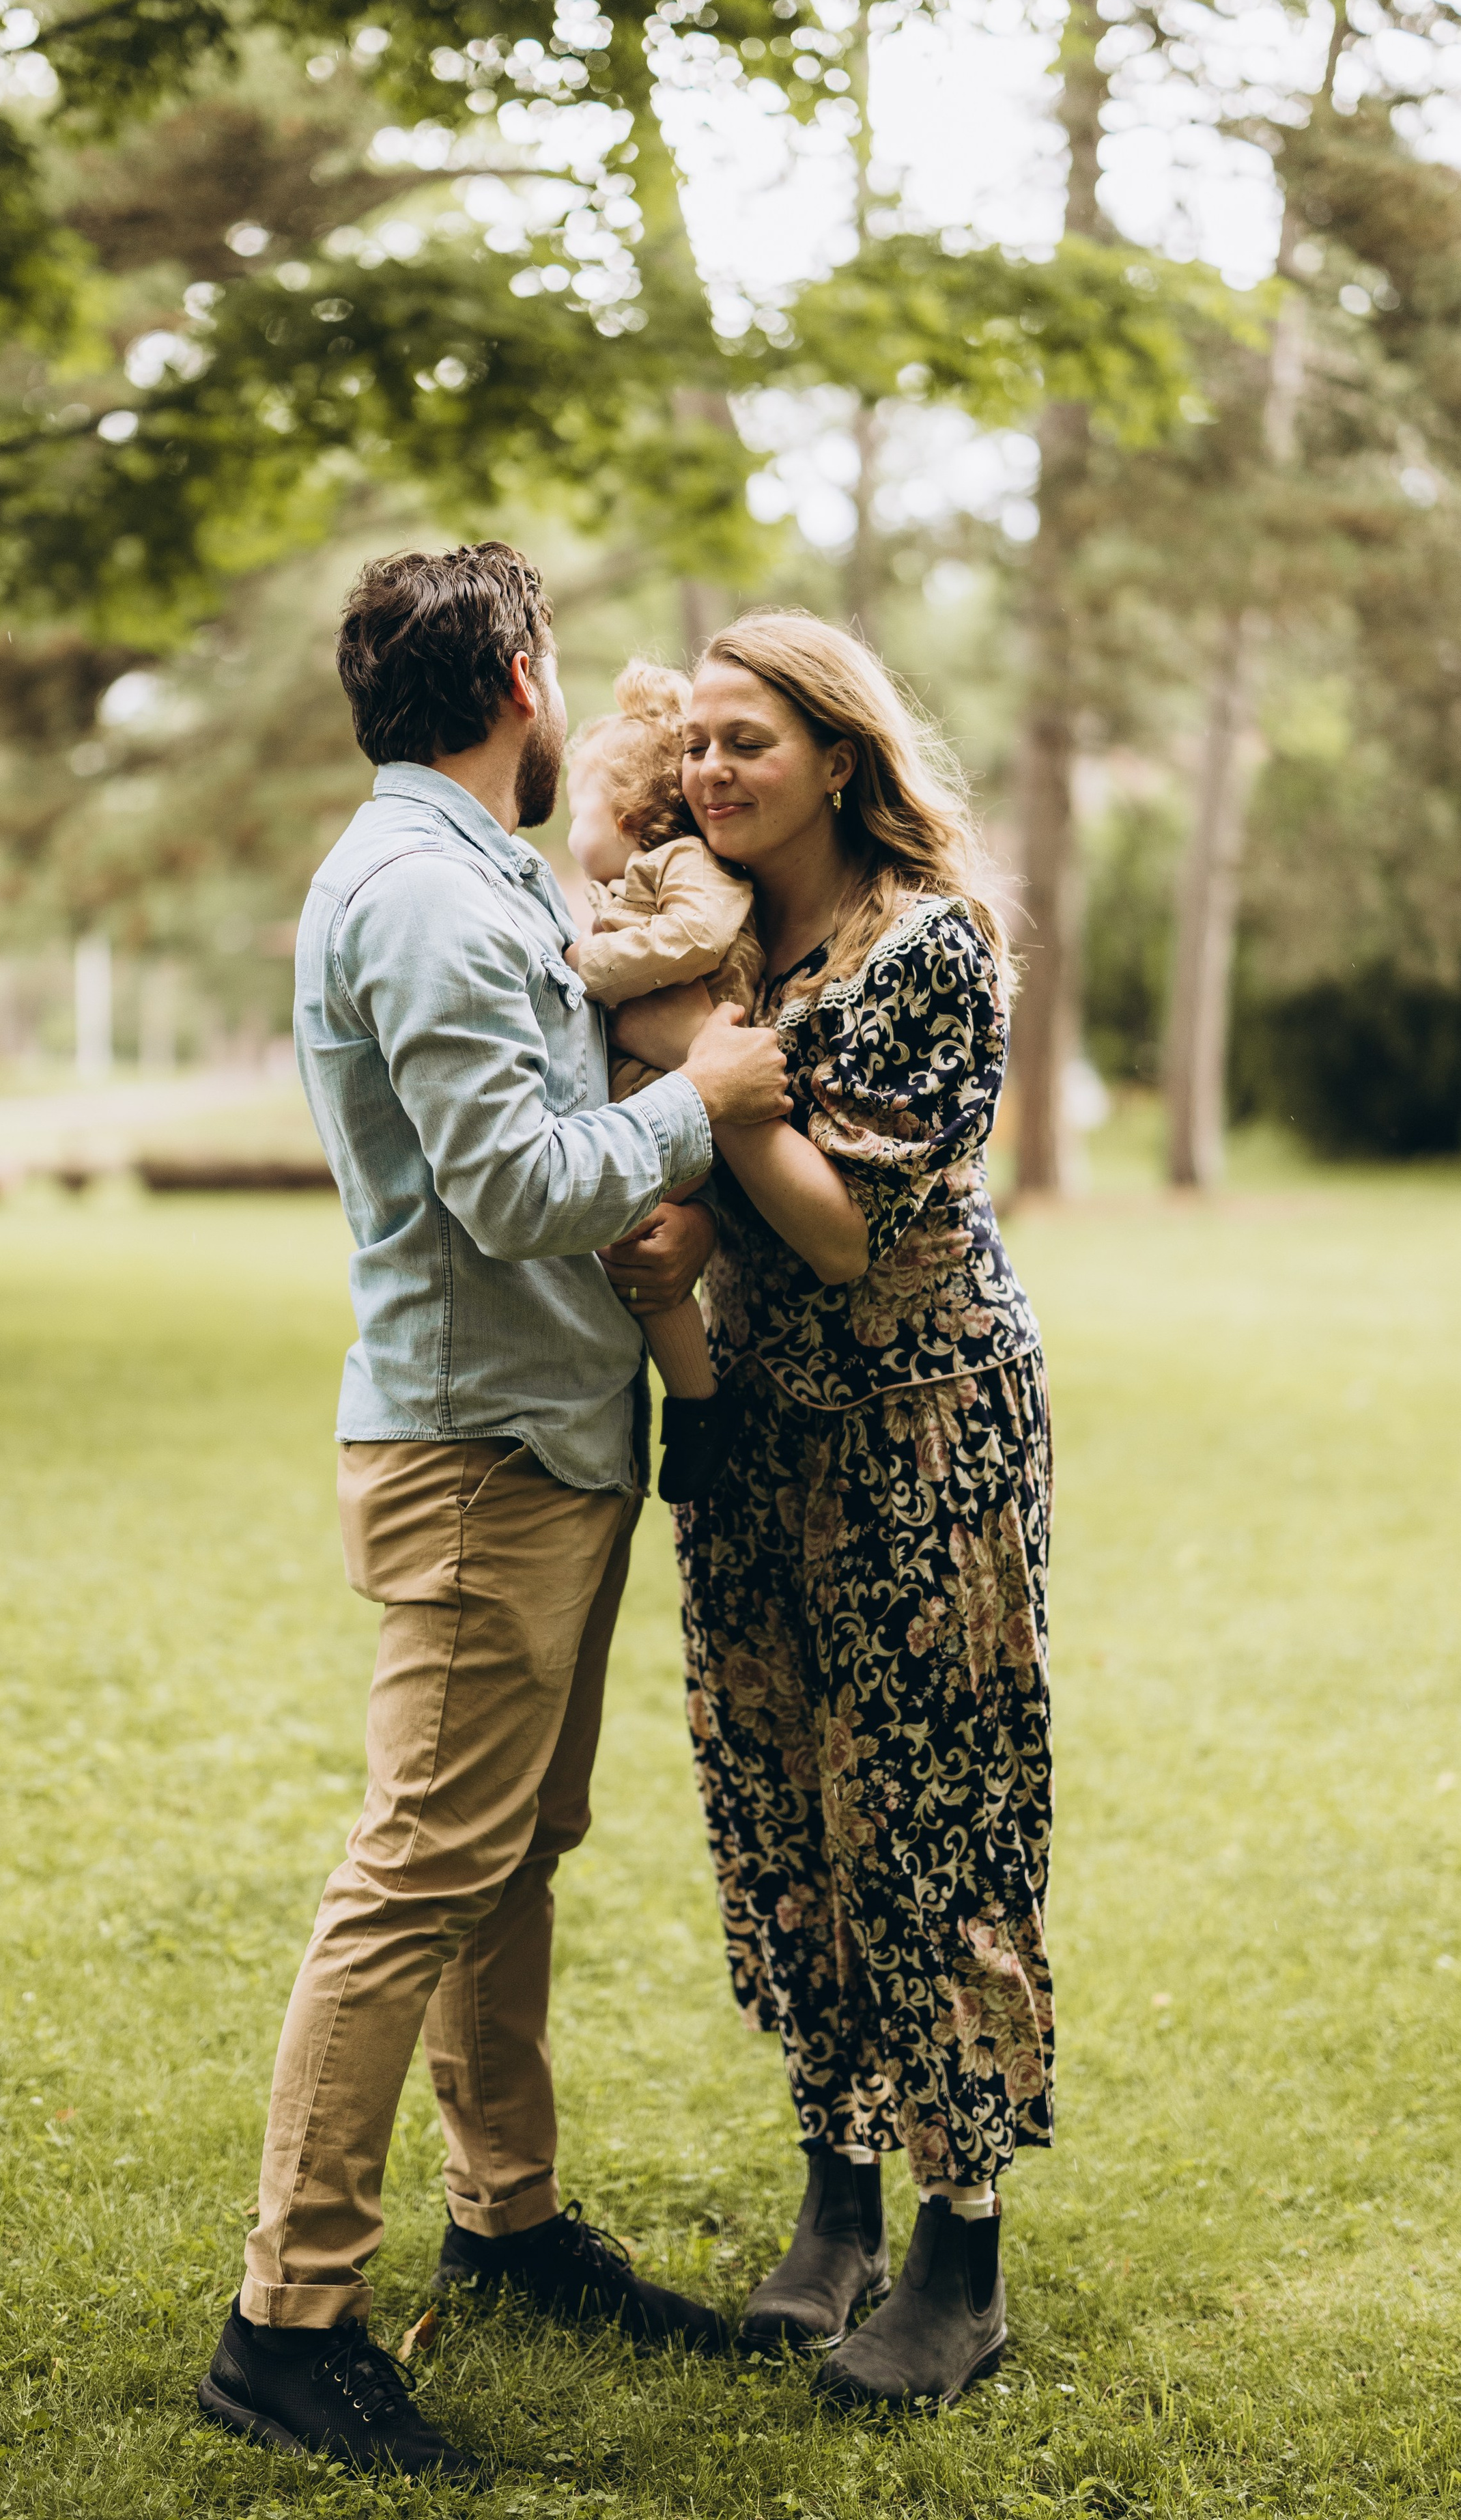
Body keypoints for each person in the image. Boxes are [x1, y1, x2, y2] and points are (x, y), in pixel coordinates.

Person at [197, 543, 791, 2484]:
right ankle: (287, 2321)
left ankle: (509, 2217)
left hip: (549, 1431)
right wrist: (703, 1095)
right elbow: (515, 1184)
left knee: (510, 1850)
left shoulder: (472, 881)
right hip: (477, 1454)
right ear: (524, 676)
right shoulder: (426, 899)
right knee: (417, 1870)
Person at [612, 611, 1053, 2411]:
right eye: (698, 740)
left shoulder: (927, 948)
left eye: (751, 743)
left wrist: (695, 1060)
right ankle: (834, 2199)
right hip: (752, 1428)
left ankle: (962, 2254)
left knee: (931, 1820)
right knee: (780, 1801)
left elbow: (842, 1229)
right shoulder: (708, 930)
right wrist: (690, 1037)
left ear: (843, 761)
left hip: (925, 1427)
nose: (710, 770)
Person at [563, 660, 765, 1502]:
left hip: (685, 1094)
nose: (568, 829)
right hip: (657, 1088)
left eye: (576, 809)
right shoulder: (625, 882)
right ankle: (689, 1405)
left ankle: (695, 1405)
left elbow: (696, 937)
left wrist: (591, 968)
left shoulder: (686, 863)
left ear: (628, 816)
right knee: (633, 1243)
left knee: (635, 1235)